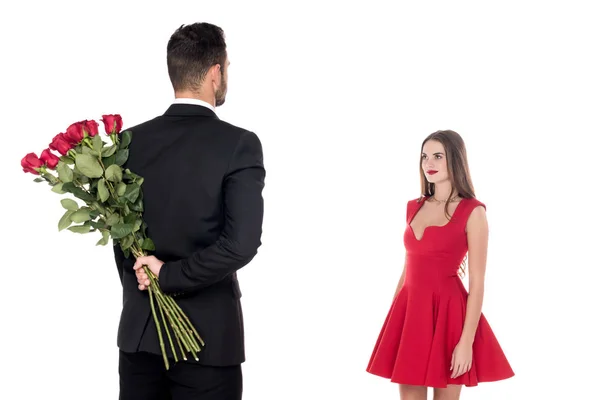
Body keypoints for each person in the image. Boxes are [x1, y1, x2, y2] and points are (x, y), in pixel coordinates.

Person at [113, 22, 265, 400]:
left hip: (139, 337)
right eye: (227, 68)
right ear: (216, 73)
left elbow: (118, 232)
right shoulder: (239, 144)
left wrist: (145, 282)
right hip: (208, 342)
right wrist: (167, 275)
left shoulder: (126, 143)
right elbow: (241, 244)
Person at [366, 130, 513, 399]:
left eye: (437, 156)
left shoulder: (473, 211)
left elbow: (477, 283)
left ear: (455, 160)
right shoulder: (414, 206)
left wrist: (466, 341)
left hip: (449, 317)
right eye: (424, 157)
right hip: (410, 314)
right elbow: (407, 268)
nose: (428, 164)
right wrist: (394, 320)